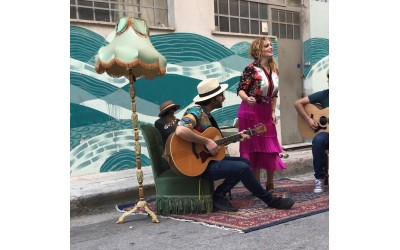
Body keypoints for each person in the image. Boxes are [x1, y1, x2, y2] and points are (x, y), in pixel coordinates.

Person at [175, 78, 294, 212]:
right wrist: (207, 142)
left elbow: (214, 141)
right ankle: (270, 200)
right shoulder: (196, 112)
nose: (224, 97)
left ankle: (219, 195)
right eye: (221, 95)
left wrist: (239, 136)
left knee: (245, 162)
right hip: (195, 164)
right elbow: (180, 130)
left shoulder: (207, 115)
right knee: (242, 168)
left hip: (205, 160)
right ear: (213, 99)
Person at [236, 36, 286, 192]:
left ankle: (270, 183)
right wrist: (247, 98)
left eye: (271, 45)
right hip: (250, 111)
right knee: (253, 149)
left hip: (265, 112)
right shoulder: (251, 69)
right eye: (266, 46)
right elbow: (241, 89)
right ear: (258, 50)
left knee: (271, 148)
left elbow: (275, 94)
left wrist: (272, 111)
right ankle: (256, 185)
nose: (271, 47)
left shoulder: (275, 69)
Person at [294, 69, 329, 193]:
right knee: (318, 141)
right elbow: (298, 103)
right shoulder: (324, 94)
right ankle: (319, 178)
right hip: (327, 134)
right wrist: (308, 119)